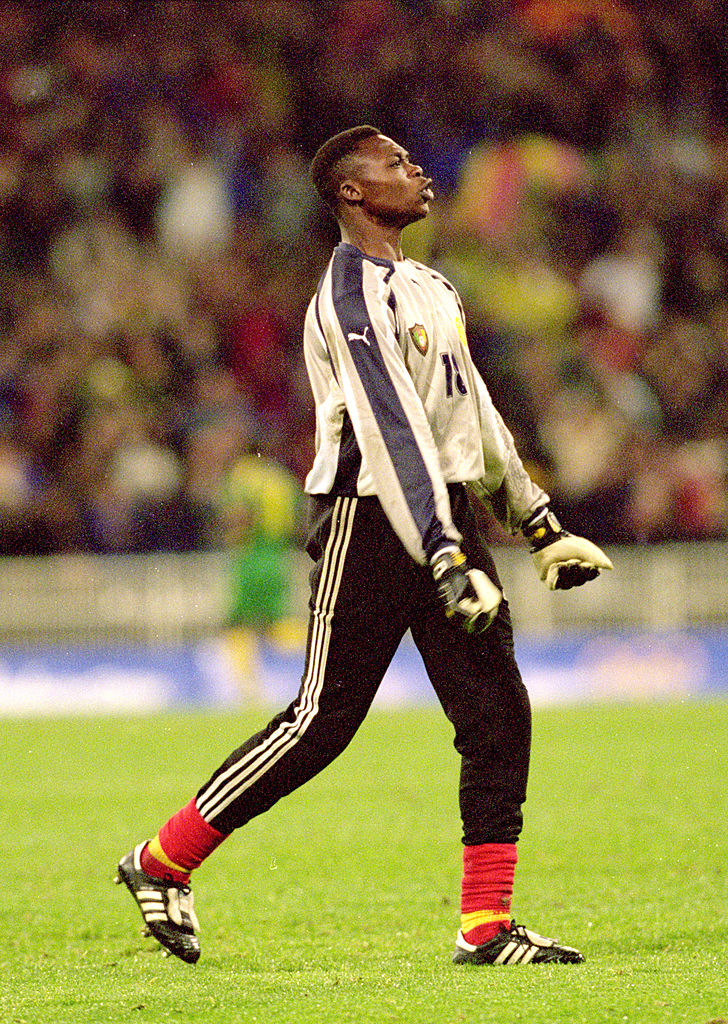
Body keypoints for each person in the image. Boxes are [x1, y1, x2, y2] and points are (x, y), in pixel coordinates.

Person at [115, 125, 612, 966]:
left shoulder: (431, 286)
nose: (416, 168)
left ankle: (485, 927)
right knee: (322, 721)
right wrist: (444, 553)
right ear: (352, 191)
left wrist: (537, 522)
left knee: (497, 712)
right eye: (394, 162)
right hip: (370, 519)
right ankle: (160, 861)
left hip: (438, 514)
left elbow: (471, 412)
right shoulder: (347, 296)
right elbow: (390, 431)